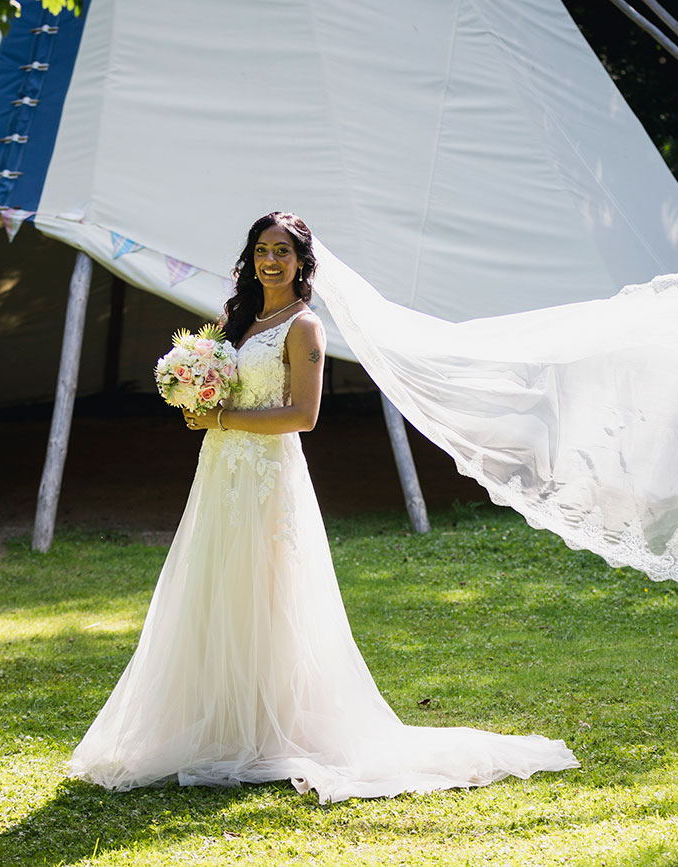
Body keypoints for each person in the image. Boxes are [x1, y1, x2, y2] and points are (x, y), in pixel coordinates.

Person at [67, 212, 579, 803]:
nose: (270, 261)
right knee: (216, 584)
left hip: (267, 474)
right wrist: (193, 392)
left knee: (266, 588)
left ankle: (273, 727)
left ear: (301, 262)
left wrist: (222, 416)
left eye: (282, 251)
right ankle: (218, 721)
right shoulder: (236, 321)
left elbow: (303, 416)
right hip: (221, 469)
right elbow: (217, 386)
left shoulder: (304, 327)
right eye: (262, 250)